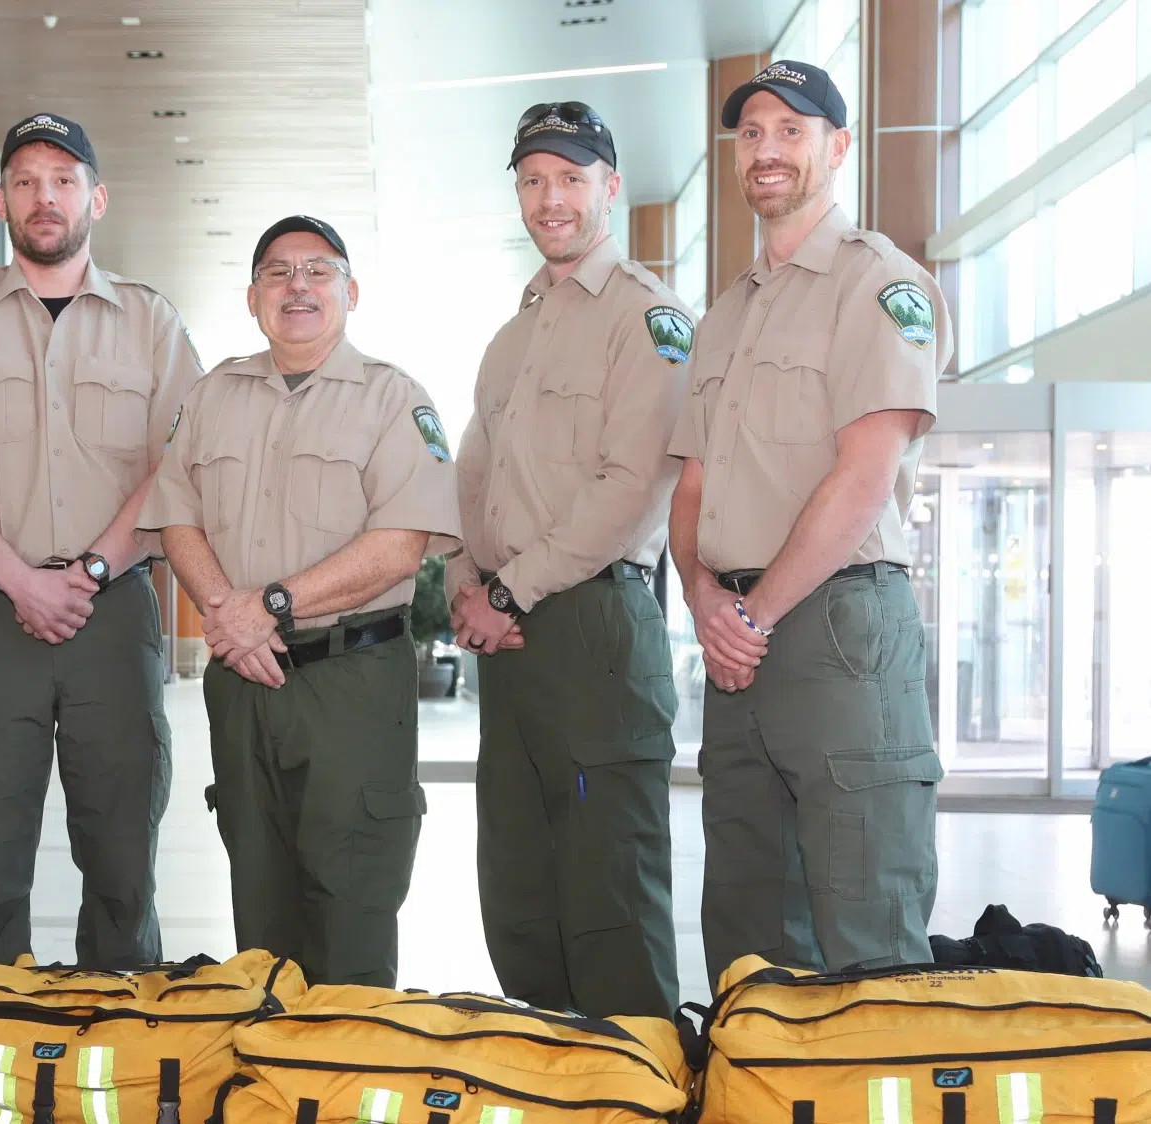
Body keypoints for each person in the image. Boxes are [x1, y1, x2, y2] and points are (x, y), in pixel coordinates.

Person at [0, 113, 201, 973]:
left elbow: (178, 467)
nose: (44, 196)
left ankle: (125, 1046)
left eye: (62, 179)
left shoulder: (151, 322)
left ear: (96, 197)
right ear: (1, 201)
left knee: (123, 850)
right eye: (25, 181)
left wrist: (90, 567)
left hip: (115, 606)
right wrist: (20, 579)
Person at [666, 61, 952, 988]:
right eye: (751, 133)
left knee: (864, 918)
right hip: (736, 641)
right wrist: (707, 598)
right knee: (748, 930)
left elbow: (865, 476)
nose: (768, 149)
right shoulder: (723, 318)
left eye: (792, 129)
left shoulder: (878, 285)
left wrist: (752, 615)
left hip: (836, 628)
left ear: (837, 147)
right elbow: (693, 489)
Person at [141, 216, 461, 987]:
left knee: (351, 901)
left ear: (350, 292)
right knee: (259, 904)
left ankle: (347, 1090)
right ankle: (271, 1093)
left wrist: (273, 604)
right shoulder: (212, 395)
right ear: (253, 297)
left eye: (318, 271)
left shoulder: (393, 399)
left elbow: (401, 543)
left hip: (351, 682)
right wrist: (232, 615)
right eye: (279, 273)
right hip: (244, 681)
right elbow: (176, 515)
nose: (298, 286)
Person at [447, 103, 689, 1019]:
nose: (552, 198)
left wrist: (507, 586)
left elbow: (631, 484)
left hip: (590, 624)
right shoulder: (513, 338)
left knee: (608, 899)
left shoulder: (648, 316)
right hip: (508, 639)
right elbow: (473, 474)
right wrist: (466, 582)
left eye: (572, 177)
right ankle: (555, 1103)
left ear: (610, 188)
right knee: (520, 889)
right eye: (535, 179)